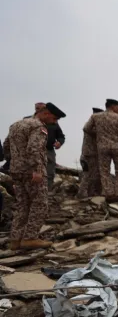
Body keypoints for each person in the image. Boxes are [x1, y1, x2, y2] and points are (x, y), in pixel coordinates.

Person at [6, 103, 65, 250]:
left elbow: (6, 146)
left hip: (17, 170)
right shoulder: (38, 127)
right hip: (32, 172)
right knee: (40, 204)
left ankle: (16, 239)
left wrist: (14, 164)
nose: (55, 122)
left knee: (22, 205)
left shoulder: (16, 125)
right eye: (55, 118)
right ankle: (30, 237)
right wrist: (37, 170)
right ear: (45, 114)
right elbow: (34, 149)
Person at [83, 99, 118, 201]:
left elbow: (86, 128)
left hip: (102, 147)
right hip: (117, 147)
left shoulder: (95, 116)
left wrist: (99, 134)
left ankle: (108, 192)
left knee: (104, 170)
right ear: (113, 106)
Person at [79, 108, 104, 198]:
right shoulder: (92, 127)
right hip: (90, 154)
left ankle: (87, 192)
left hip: (87, 154)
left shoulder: (90, 125)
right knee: (90, 174)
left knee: (89, 174)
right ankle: (84, 193)